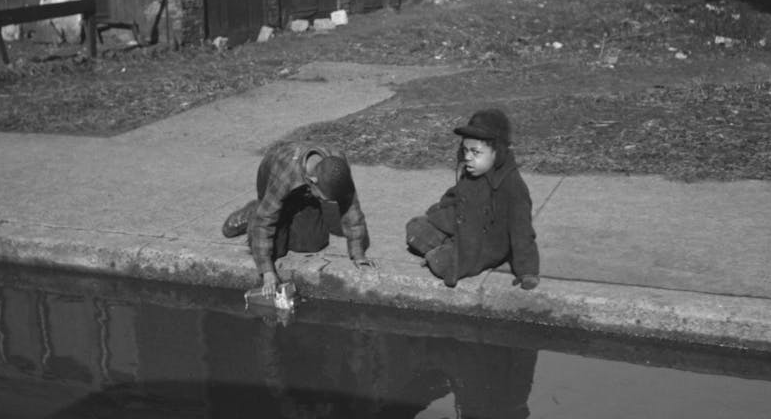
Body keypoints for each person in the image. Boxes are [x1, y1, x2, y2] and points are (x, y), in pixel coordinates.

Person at [405, 108, 539, 289]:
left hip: (483, 244)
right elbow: (456, 196)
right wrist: (439, 211)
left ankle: (441, 252)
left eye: (476, 153)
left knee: (444, 264)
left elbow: (522, 231)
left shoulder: (512, 187)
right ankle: (442, 246)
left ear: (497, 153)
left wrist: (527, 271)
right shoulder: (472, 172)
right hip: (461, 226)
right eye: (465, 150)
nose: (468, 157)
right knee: (416, 228)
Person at [222, 141, 376, 296]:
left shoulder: (337, 165)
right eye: (326, 198)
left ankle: (292, 211)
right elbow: (265, 223)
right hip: (273, 186)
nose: (329, 202)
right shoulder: (285, 173)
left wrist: (358, 254)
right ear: (313, 181)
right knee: (275, 250)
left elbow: (351, 208)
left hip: (304, 191)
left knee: (312, 243)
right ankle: (253, 211)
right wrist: (267, 272)